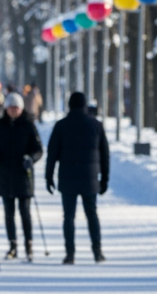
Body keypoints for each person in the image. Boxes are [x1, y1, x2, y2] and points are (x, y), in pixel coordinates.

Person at [45, 91, 111, 264]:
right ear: (84, 106)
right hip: (90, 178)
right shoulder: (96, 125)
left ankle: (70, 253)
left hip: (68, 177)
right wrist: (105, 178)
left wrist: (48, 176)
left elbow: (52, 153)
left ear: (69, 105)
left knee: (68, 216)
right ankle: (97, 251)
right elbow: (105, 154)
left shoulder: (61, 126)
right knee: (92, 214)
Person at [0, 92, 43, 261]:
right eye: (10, 107)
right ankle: (12, 245)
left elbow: (38, 149)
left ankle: (29, 245)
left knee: (25, 212)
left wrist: (31, 159)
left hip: (23, 175)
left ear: (21, 108)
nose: (13, 111)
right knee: (9, 214)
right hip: (5, 176)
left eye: (16, 108)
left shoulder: (28, 125)